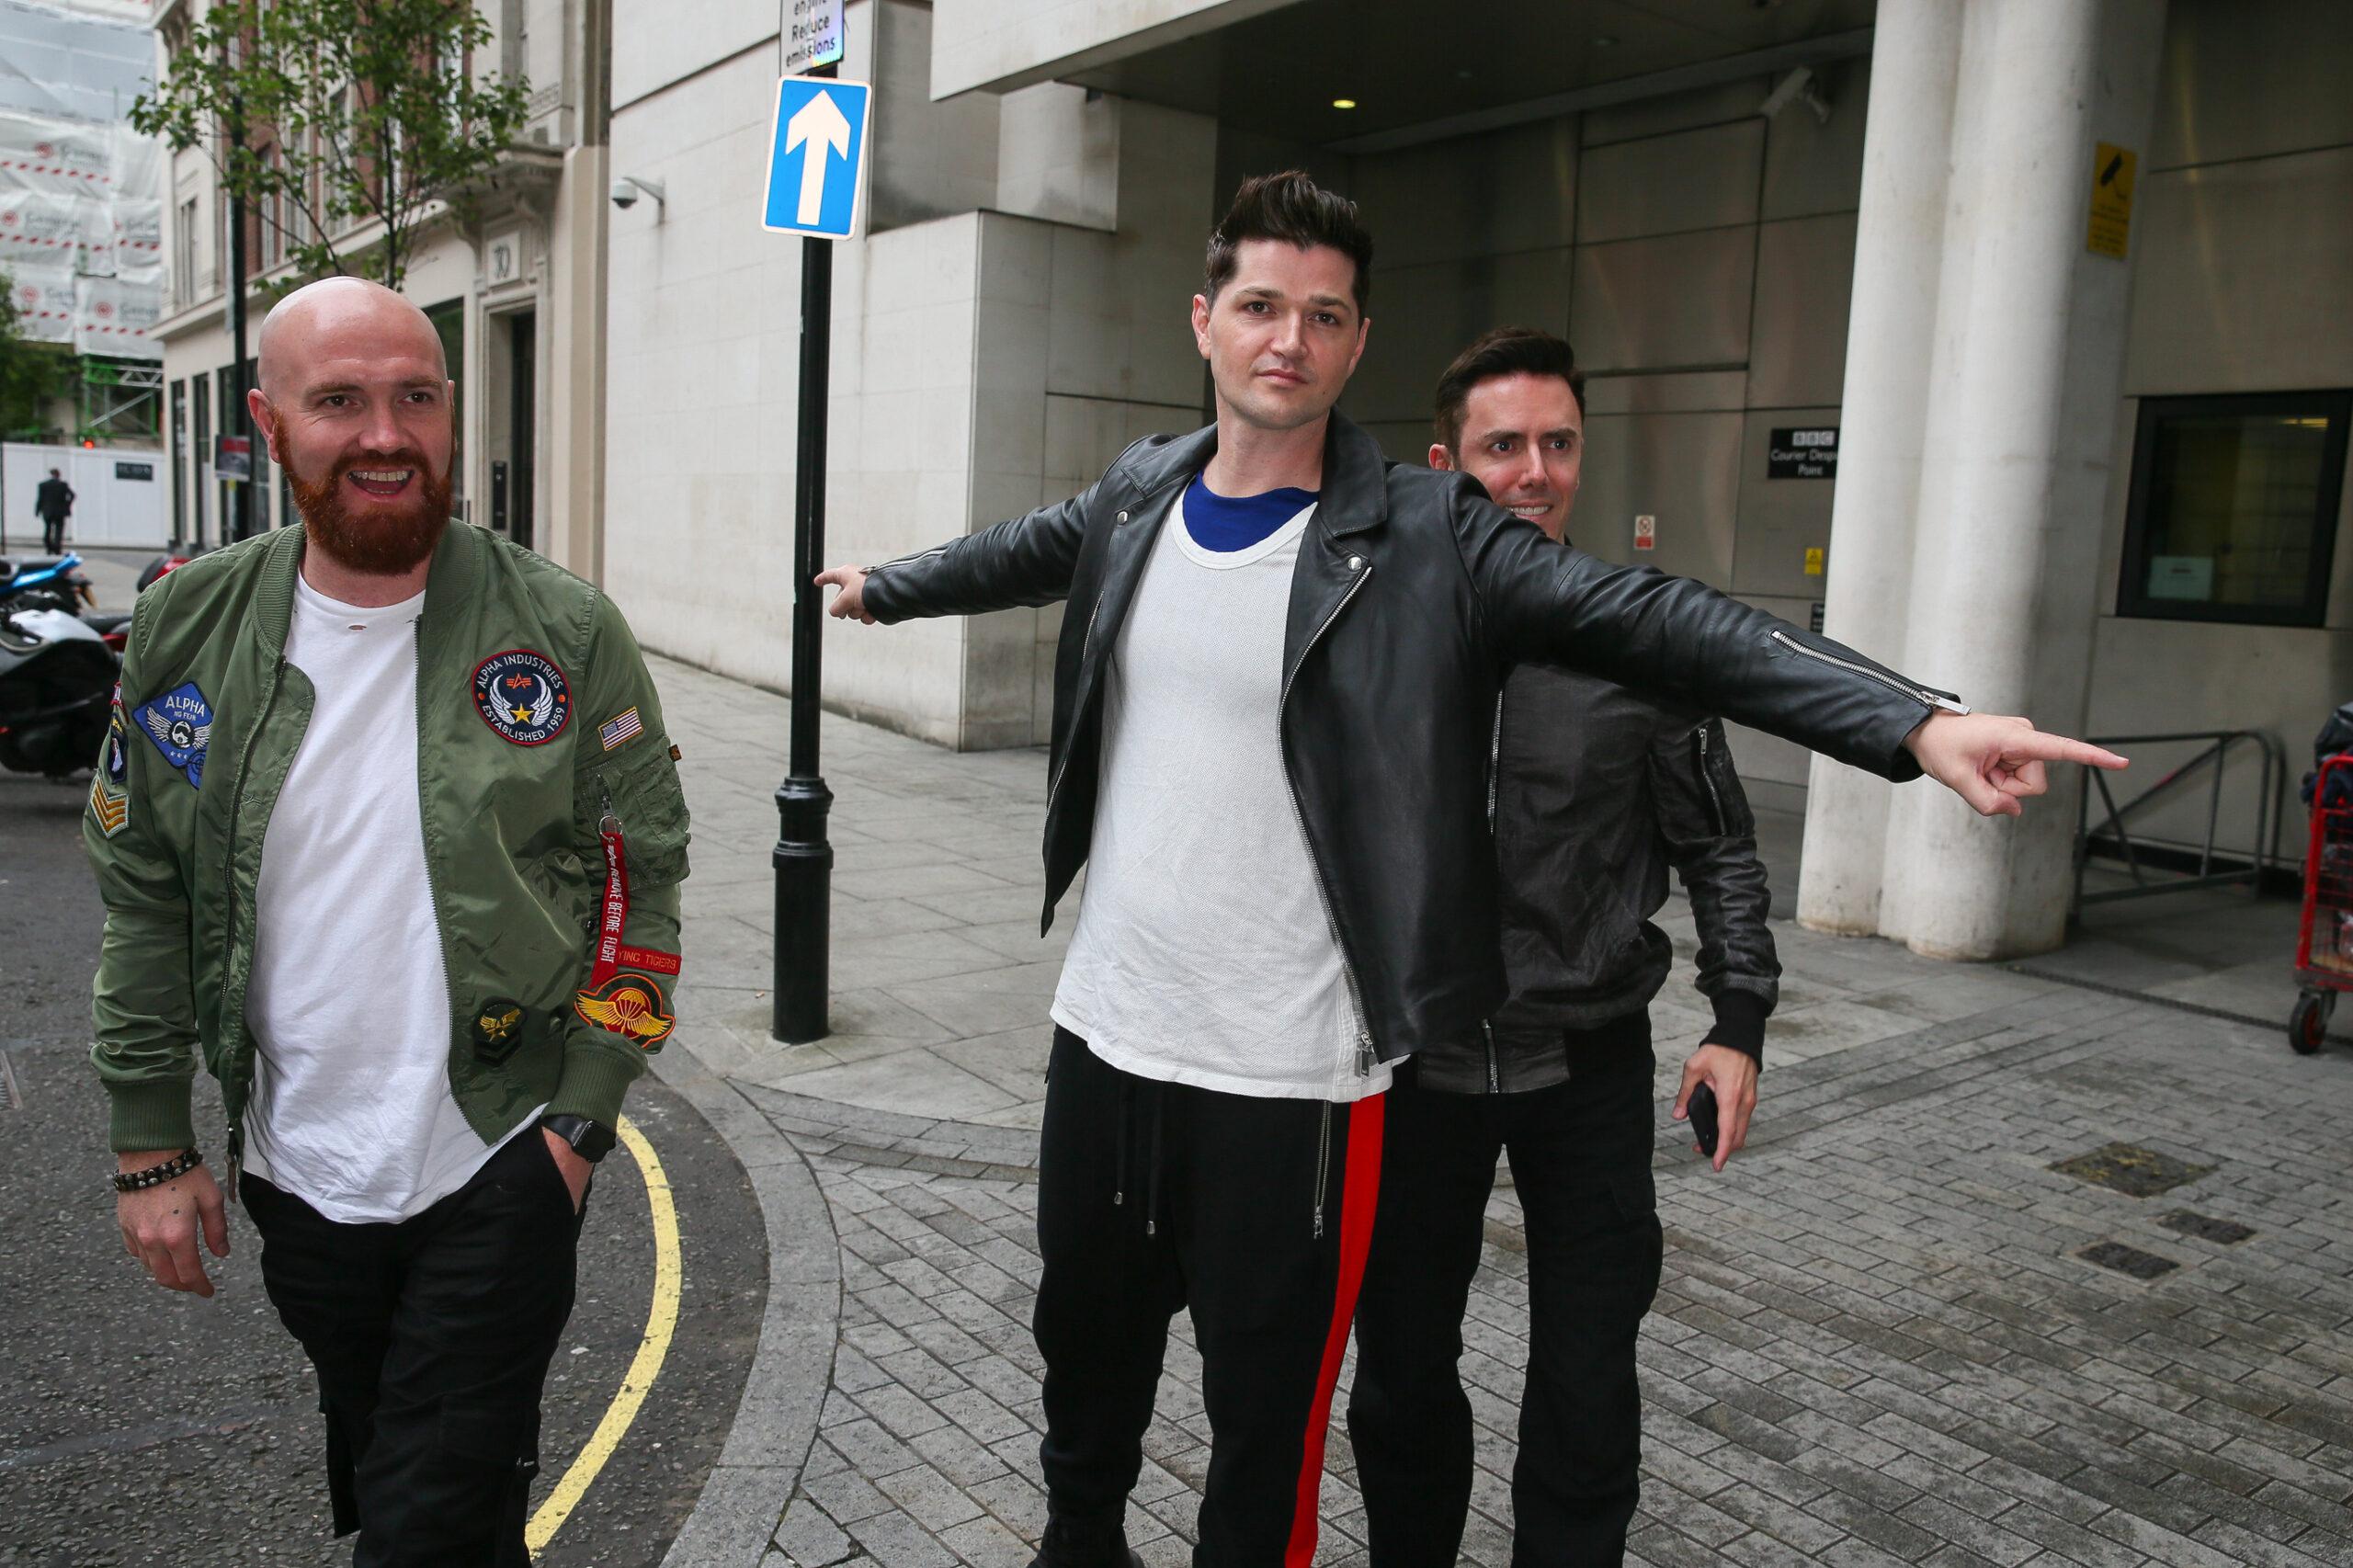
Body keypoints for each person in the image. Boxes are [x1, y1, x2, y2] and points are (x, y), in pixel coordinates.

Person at [813, 171, 2122, 1568]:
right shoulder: (1142, 488)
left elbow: (1669, 623)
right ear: (1205, 320)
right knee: (1087, 1377)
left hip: (1312, 1072)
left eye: (1323, 315)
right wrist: (887, 583)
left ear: (1357, 341)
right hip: (1113, 1037)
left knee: (1281, 1432)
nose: (1286, 340)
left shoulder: (1435, 537)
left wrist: (1912, 719)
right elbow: (1029, 547)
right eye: (1259, 305)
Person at [86, 277, 690, 1566]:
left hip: (502, 1154)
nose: (384, 432)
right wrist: (150, 1139)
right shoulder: (186, 628)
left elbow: (644, 876)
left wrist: (581, 1119)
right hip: (298, 1171)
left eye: (415, 396)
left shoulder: (565, 628)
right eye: (341, 400)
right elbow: (143, 890)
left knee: (417, 1518)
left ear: (451, 410)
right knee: (417, 1472)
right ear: (266, 422)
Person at [1346, 327, 1773, 1566]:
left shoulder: (1634, 636)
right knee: (1403, 1364)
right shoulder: (1383, 629)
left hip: (1586, 1057)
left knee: (1589, 1369)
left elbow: (1722, 847)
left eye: (1557, 444)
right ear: (1446, 463)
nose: (1535, 471)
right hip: (1419, 1062)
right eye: (1503, 446)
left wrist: (1738, 1019)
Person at [37, 465, 75, 554]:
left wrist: (38, 510)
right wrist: (67, 505)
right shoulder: (63, 485)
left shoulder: (43, 485)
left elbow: (40, 499)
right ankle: (57, 547)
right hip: (60, 512)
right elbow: (72, 495)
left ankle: (49, 546)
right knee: (59, 530)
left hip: (48, 511)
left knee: (48, 529)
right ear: (58, 475)